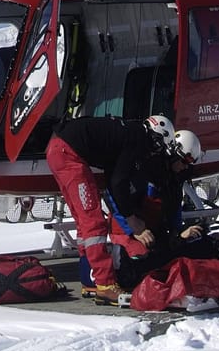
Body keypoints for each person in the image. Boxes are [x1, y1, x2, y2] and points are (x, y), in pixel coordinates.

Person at [45, 114, 202, 303]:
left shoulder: (127, 134)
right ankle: (105, 284)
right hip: (69, 154)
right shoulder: (137, 141)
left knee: (83, 221)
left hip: (59, 149)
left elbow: (117, 179)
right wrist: (132, 221)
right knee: (93, 223)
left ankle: (91, 277)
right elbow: (118, 183)